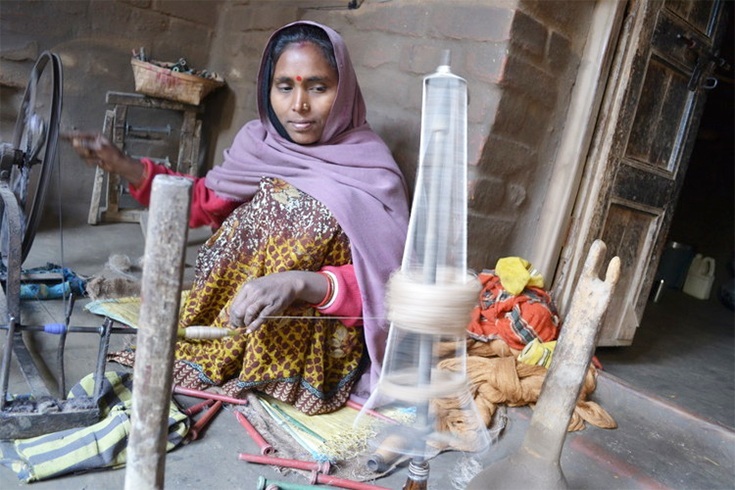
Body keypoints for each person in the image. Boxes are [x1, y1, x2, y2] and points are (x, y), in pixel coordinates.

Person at [69, 21, 409, 415]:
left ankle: (272, 366)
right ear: (269, 89)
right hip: (226, 325)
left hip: (311, 349)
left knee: (290, 207)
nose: (299, 105)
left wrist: (301, 282)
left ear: (344, 90)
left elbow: (390, 279)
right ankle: (228, 346)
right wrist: (125, 165)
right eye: (285, 87)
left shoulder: (370, 167)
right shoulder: (258, 143)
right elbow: (205, 202)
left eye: (318, 87)